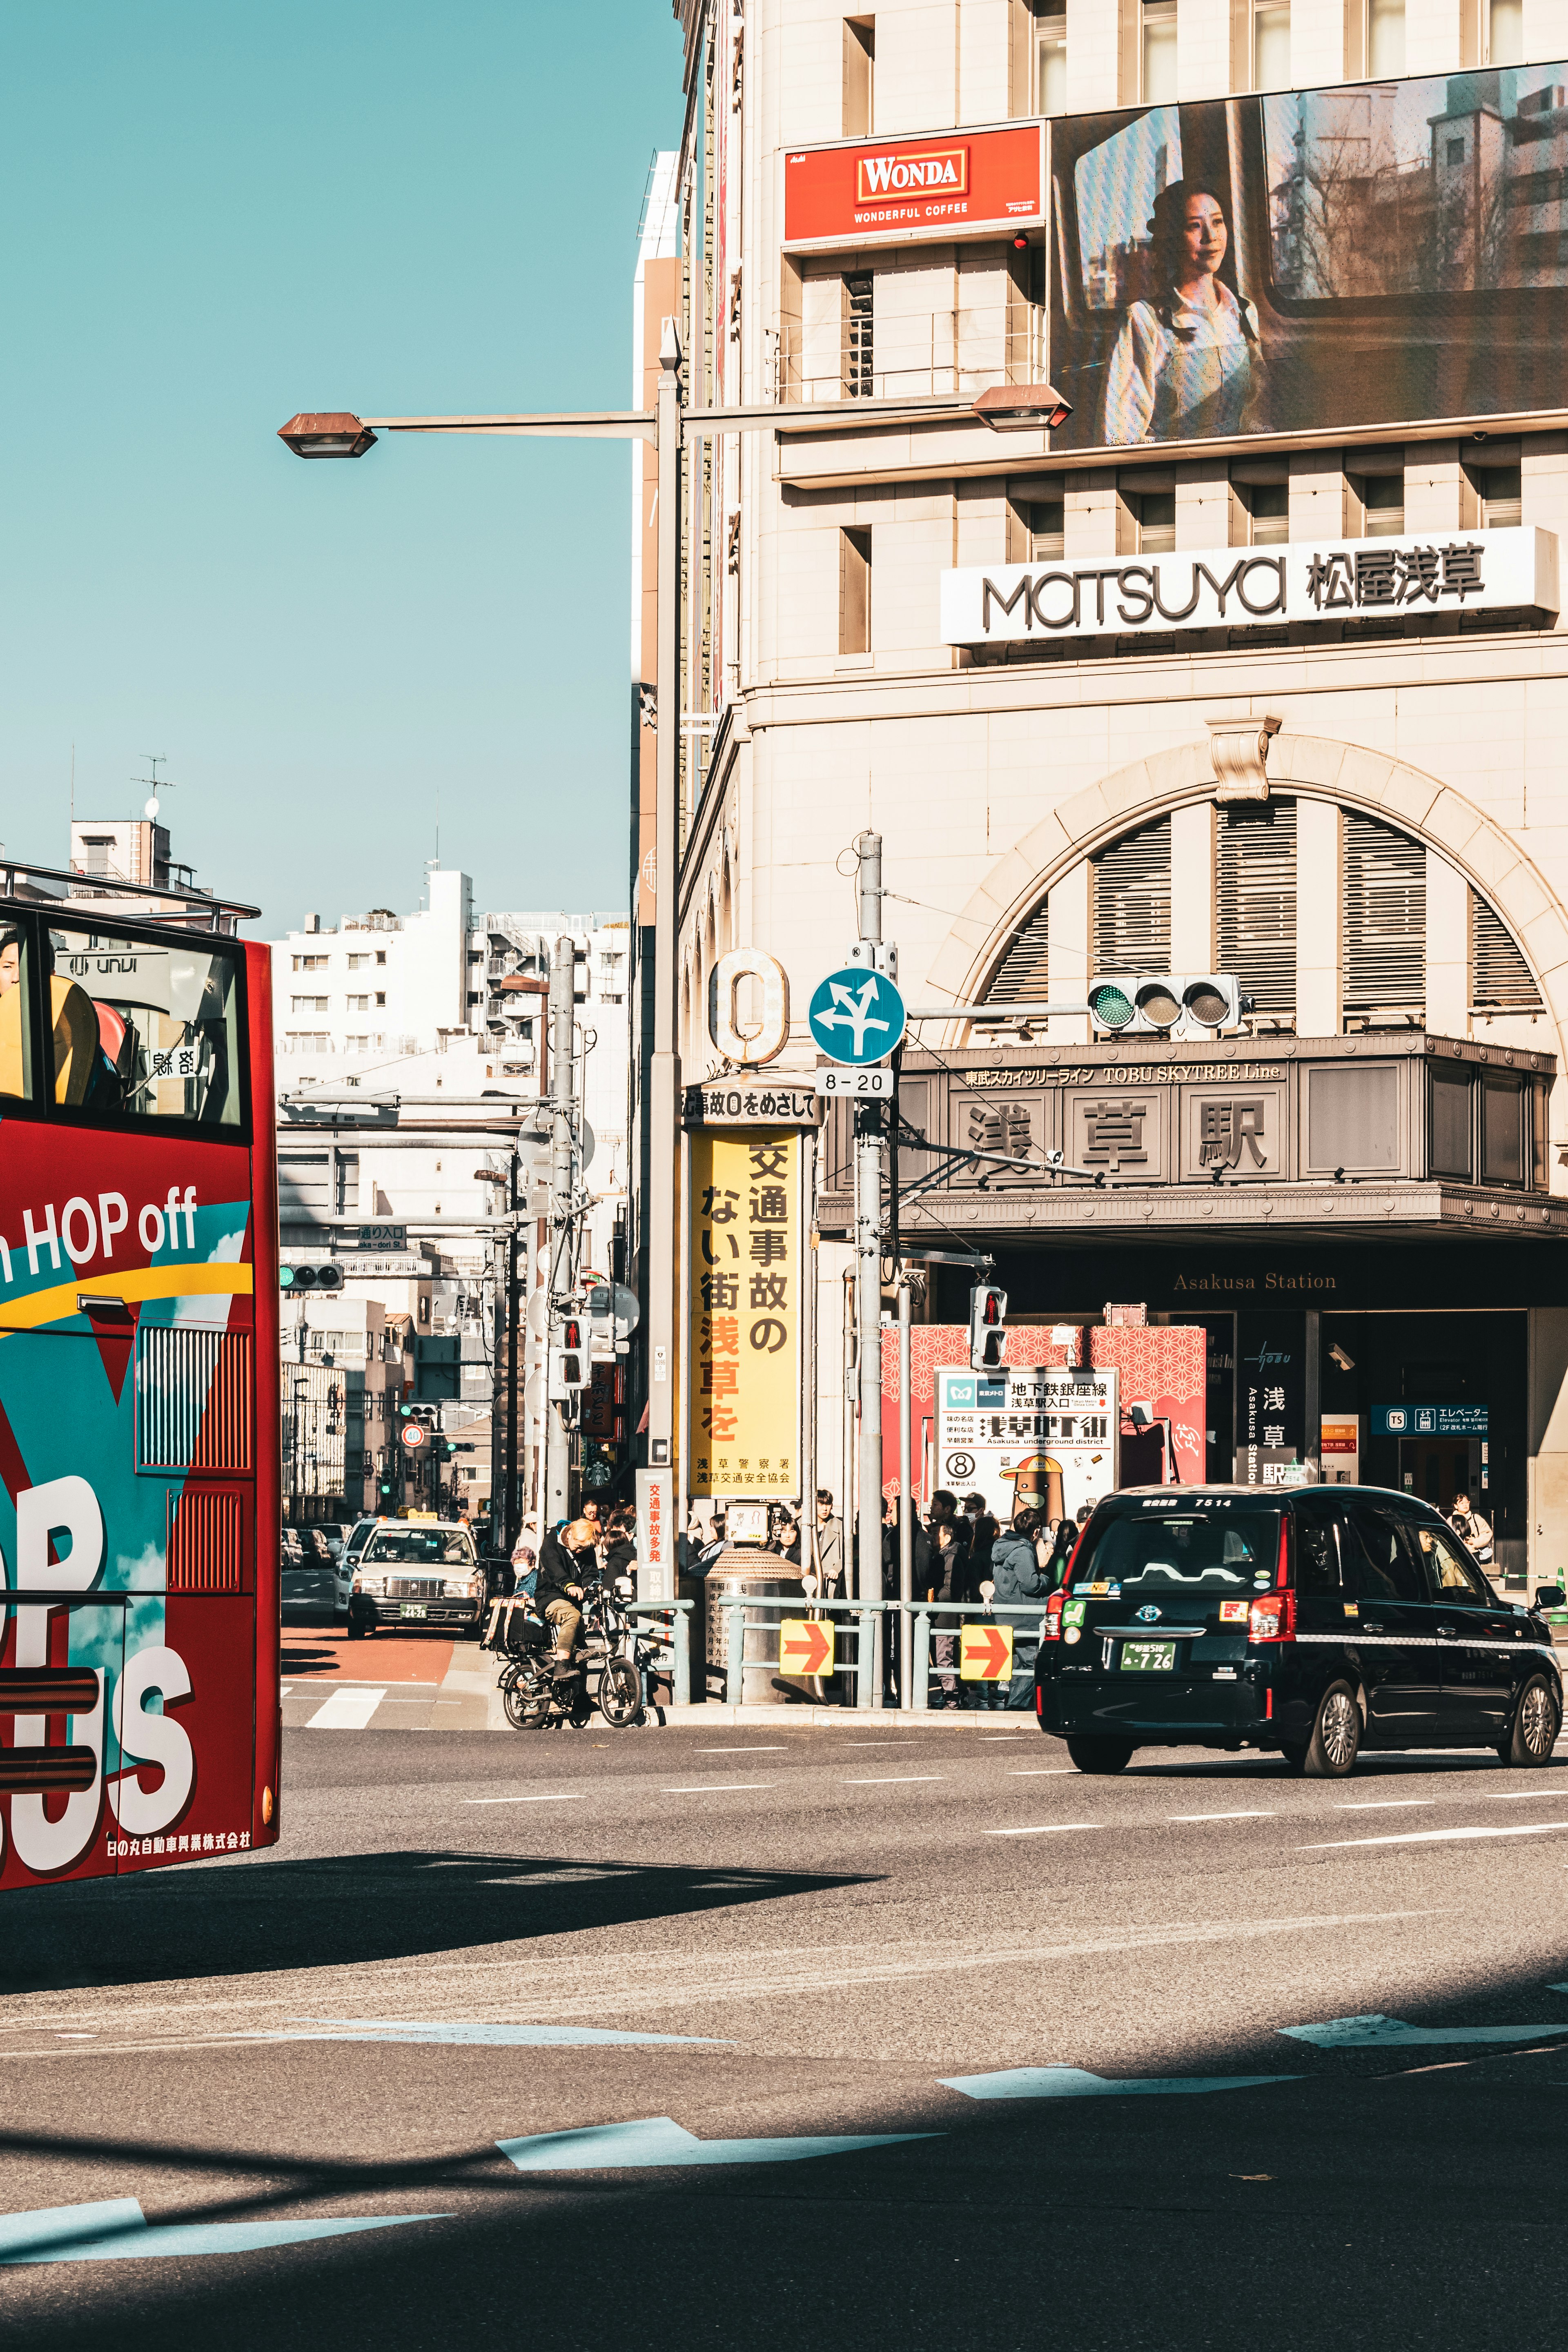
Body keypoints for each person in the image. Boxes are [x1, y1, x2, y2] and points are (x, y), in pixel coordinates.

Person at [1101, 180, 1261, 446]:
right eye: (1194, 226)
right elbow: (1120, 437)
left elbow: (1256, 408)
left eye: (1218, 222)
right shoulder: (1143, 320)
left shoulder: (1244, 312)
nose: (1211, 236)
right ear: (1173, 238)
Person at [985, 1506, 1054, 1711]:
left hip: (1006, 1614)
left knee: (1018, 1664)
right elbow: (1031, 1585)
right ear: (1035, 1532)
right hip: (1025, 1616)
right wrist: (1046, 1577)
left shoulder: (1001, 1546)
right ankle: (1017, 1705)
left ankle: (1013, 1702)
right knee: (1031, 1662)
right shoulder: (1023, 1551)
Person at [535, 1517, 596, 1676]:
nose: (580, 1551)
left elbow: (590, 1571)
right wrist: (569, 1585)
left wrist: (593, 1586)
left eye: (584, 1548)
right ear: (569, 1535)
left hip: (574, 1600)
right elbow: (554, 1568)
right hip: (549, 1596)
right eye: (578, 1547)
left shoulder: (586, 1548)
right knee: (572, 1616)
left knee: (581, 1651)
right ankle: (561, 1665)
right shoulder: (551, 1542)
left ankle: (580, 1697)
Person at [812, 1490, 844, 1600]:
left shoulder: (840, 1527)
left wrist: (837, 1569)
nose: (825, 1509)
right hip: (809, 1580)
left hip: (831, 1581)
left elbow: (848, 1554)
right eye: (821, 1505)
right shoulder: (802, 1525)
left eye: (828, 1504)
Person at [1449, 1492, 1494, 1565]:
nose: (1465, 1505)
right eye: (1462, 1503)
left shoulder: (1476, 1518)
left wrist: (1475, 1542)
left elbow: (1487, 1533)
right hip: (1458, 1553)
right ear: (1456, 1506)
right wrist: (1465, 1546)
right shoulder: (1452, 1520)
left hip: (1475, 1553)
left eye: (1467, 1502)